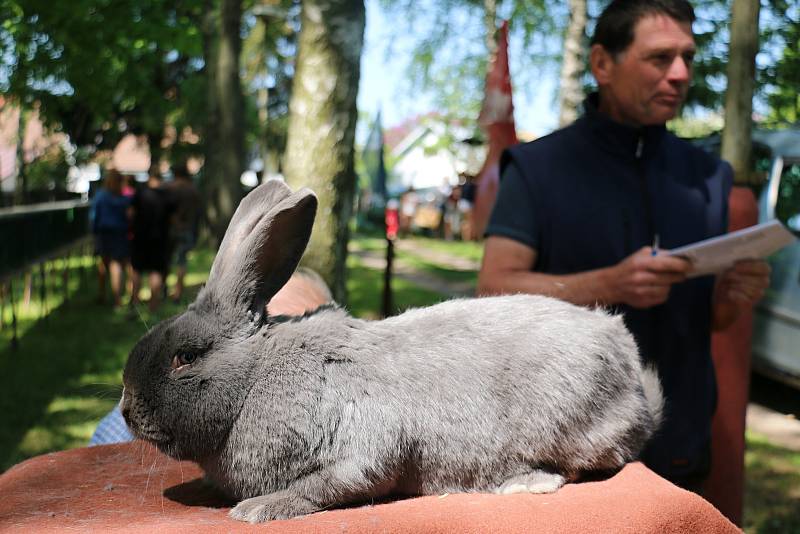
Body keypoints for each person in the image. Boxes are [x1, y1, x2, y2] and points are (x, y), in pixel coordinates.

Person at [477, 0, 770, 492]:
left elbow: (708, 318)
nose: (680, 74)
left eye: (688, 58)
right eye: (660, 58)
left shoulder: (707, 177)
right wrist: (610, 284)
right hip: (565, 449)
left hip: (680, 445)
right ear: (601, 64)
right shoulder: (537, 168)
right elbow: (493, 289)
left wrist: (730, 298)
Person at [129, 167, 176, 312]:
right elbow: (173, 219)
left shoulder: (140, 193)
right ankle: (153, 305)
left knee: (137, 270)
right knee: (156, 271)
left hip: (140, 237)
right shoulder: (167, 196)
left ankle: (135, 303)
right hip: (160, 238)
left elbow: (130, 213)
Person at [90, 169, 132, 308]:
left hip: (104, 234)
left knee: (106, 265)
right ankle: (123, 297)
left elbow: (94, 216)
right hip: (120, 233)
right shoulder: (124, 199)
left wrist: (94, 232)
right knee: (121, 264)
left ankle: (108, 296)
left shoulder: (101, 196)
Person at [165, 163, 201, 302]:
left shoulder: (169, 188)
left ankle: (163, 291)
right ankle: (178, 293)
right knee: (182, 262)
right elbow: (198, 214)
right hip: (187, 229)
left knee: (166, 261)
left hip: (170, 230)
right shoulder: (193, 190)